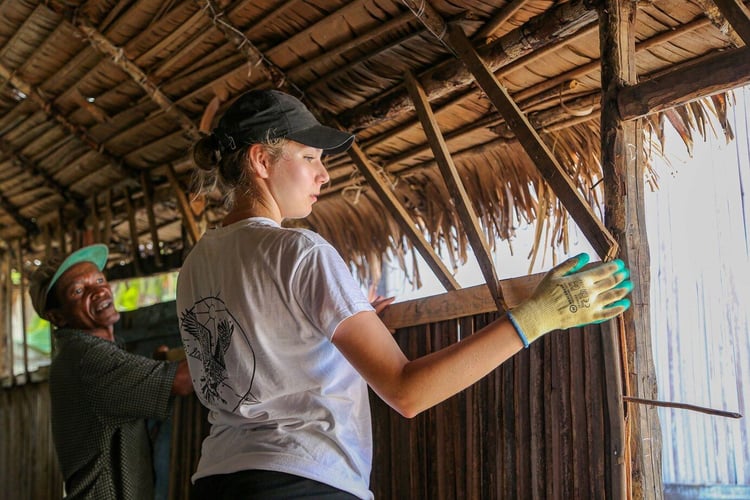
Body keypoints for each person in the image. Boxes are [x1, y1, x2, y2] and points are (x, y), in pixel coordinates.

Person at [176, 89, 633, 500]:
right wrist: (539, 315)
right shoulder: (300, 250)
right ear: (261, 161)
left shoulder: (196, 264)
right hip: (305, 480)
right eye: (311, 157)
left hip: (217, 479)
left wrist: (351, 320)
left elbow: (258, 349)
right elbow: (406, 391)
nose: (324, 176)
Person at [28, 244, 193, 499]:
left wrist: (158, 365)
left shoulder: (81, 355)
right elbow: (182, 380)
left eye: (99, 279)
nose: (99, 291)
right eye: (78, 290)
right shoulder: (88, 358)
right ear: (57, 317)